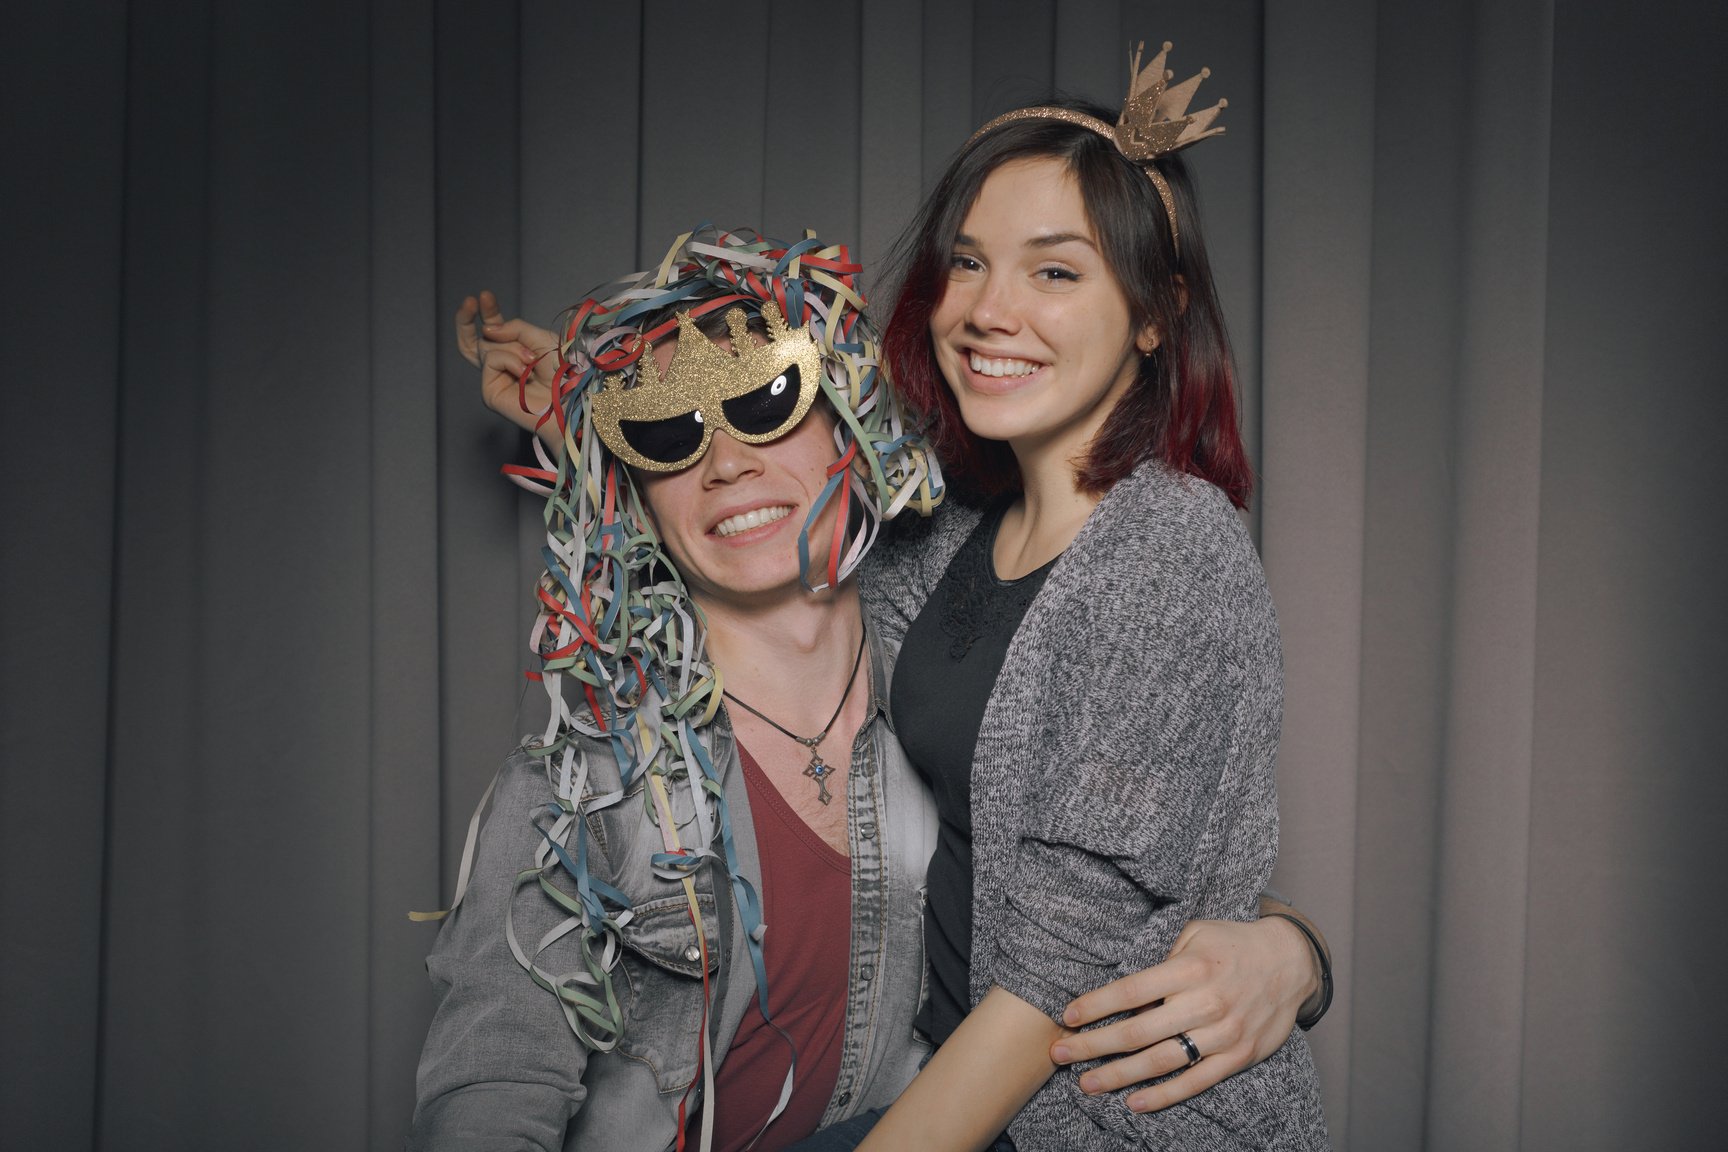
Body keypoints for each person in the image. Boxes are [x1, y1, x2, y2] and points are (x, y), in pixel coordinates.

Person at [413, 226, 1329, 1150]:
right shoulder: (583, 793)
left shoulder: (948, 704)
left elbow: (1114, 876)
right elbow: (491, 1088)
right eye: (668, 431)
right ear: (635, 490)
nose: (725, 461)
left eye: (767, 401)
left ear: (850, 425)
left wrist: (1290, 950)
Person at [837, 42, 1330, 1150]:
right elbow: (767, 541)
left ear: (1156, 316)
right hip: (958, 1097)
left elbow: (1051, 977)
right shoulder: (947, 541)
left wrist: (1294, 953)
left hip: (1103, 1127)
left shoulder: (1171, 552)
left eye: (1055, 272)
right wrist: (590, 396)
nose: (985, 310)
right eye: (966, 265)